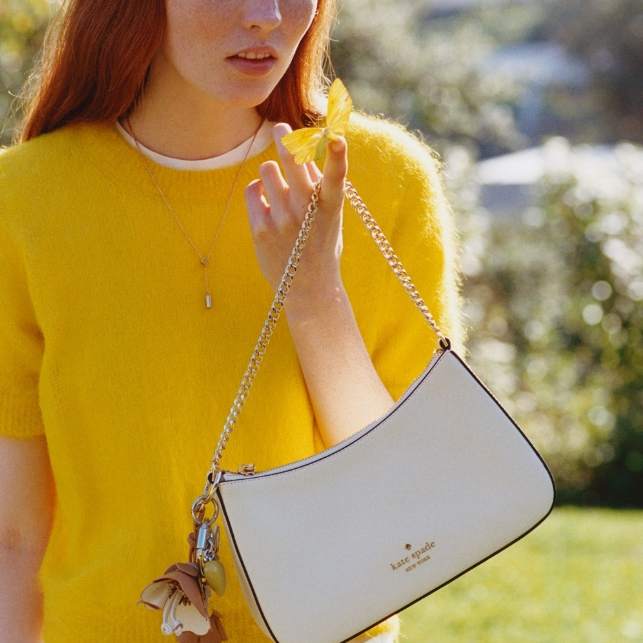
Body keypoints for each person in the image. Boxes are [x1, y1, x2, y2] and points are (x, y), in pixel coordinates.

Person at [0, 0, 464, 641]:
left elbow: (411, 489)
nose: (267, 15)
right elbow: (14, 538)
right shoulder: (23, 202)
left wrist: (314, 292)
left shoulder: (381, 180)